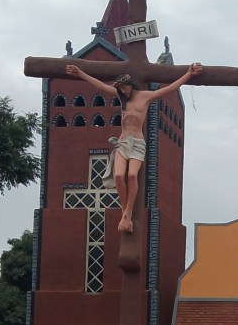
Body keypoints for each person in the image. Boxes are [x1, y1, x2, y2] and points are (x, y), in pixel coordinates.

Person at [66, 62, 203, 232]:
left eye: (124, 87)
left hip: (137, 143)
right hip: (123, 142)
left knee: (131, 175)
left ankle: (127, 213)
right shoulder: (121, 97)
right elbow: (100, 86)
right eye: (120, 88)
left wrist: (189, 74)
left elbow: (169, 88)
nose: (122, 91)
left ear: (130, 85)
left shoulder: (144, 96)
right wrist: (80, 73)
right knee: (118, 176)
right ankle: (126, 212)